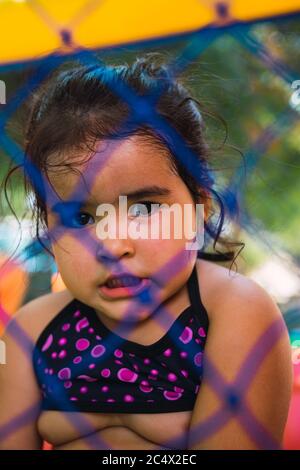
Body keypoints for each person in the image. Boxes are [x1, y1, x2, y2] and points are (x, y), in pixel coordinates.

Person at [0, 55, 292, 450]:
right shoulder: (32, 333)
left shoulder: (232, 310)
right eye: (81, 217)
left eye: (145, 209)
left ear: (199, 208)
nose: (113, 246)